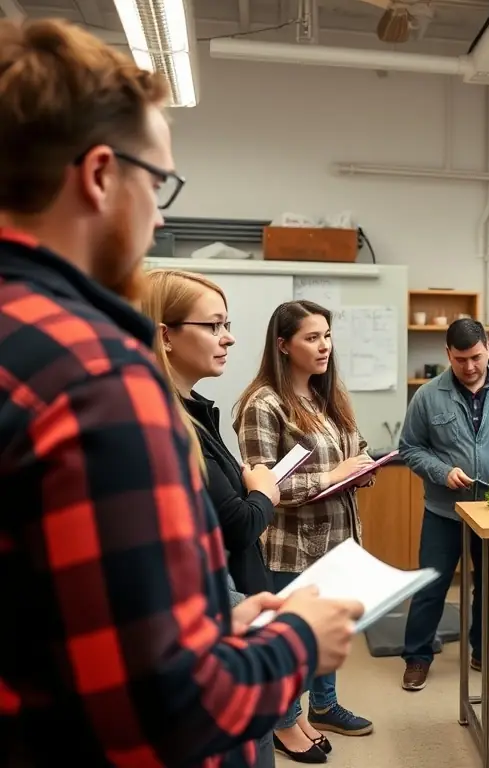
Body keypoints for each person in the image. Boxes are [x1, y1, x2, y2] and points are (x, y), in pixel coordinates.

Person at [0, 18, 363, 766]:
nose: (160, 213)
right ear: (100, 175)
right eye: (157, 181)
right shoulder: (100, 377)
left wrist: (220, 620)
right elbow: (169, 710)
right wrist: (298, 639)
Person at [143, 268, 284, 766]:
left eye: (228, 324)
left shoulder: (193, 410)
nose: (229, 338)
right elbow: (238, 523)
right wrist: (263, 491)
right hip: (218, 615)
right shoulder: (170, 424)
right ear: (165, 334)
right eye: (214, 325)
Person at [236, 299, 376, 762]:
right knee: (292, 639)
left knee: (328, 628)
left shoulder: (323, 394)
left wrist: (364, 465)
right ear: (283, 344)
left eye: (327, 337)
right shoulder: (263, 402)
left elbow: (354, 447)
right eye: (312, 338)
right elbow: (263, 481)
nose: (324, 347)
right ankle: (283, 723)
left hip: (338, 540)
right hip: (291, 548)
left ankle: (326, 705)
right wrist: (335, 475)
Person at [399, 319, 489, 691]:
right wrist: (441, 471)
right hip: (444, 513)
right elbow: (410, 448)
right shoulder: (427, 396)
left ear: (488, 347)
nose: (469, 367)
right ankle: (417, 656)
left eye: (476, 357)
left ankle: (486, 650)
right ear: (447, 354)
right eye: (460, 359)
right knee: (431, 585)